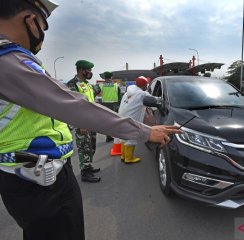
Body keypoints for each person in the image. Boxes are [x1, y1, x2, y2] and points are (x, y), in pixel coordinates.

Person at [0, 1, 181, 239]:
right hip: (36, 179)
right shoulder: (7, 61)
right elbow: (71, 104)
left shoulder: (15, 60)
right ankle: (86, 168)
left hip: (41, 172)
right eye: (44, 25)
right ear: (30, 20)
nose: (43, 35)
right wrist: (146, 132)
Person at [67, 60, 101, 183]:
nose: (91, 72)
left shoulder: (87, 84)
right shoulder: (72, 84)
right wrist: (79, 123)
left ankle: (88, 166)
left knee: (91, 145)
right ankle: (85, 172)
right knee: (84, 147)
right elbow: (72, 106)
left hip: (92, 120)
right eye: (89, 70)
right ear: (82, 70)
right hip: (82, 121)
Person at [116, 76, 157, 163]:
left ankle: (123, 156)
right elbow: (154, 104)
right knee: (131, 137)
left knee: (124, 137)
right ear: (144, 86)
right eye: (146, 85)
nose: (147, 86)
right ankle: (129, 158)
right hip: (132, 119)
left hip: (122, 117)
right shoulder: (142, 94)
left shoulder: (128, 92)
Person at [97, 71, 121, 142]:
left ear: (104, 78)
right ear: (111, 77)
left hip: (105, 105)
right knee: (115, 120)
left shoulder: (101, 85)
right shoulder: (116, 85)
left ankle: (108, 136)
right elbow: (119, 96)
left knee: (106, 121)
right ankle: (115, 135)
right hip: (114, 105)